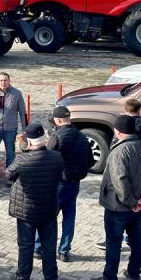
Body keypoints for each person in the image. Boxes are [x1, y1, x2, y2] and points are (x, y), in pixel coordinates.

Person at [90, 115, 141, 280]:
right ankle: (134, 272)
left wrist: (132, 202)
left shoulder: (119, 151)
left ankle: (109, 279)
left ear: (118, 131)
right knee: (136, 239)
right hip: (138, 207)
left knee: (113, 243)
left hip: (118, 207)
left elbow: (120, 181)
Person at [6, 123, 64, 280]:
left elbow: (9, 174)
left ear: (29, 141)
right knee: (49, 246)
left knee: (26, 246)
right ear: (44, 138)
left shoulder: (22, 159)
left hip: (26, 212)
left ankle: (23, 279)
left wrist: (23, 148)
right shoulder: (57, 157)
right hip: (48, 209)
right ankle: (51, 278)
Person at [96, 98, 141, 250]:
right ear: (139, 110)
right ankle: (131, 238)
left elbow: (114, 149)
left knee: (118, 214)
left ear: (125, 110)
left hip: (123, 171)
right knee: (136, 221)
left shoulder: (122, 127)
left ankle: (113, 242)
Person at [35, 105, 92, 262]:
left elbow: (46, 159)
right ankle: (64, 250)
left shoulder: (57, 137)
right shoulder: (82, 136)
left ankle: (39, 247)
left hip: (57, 183)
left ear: (58, 120)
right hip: (74, 183)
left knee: (47, 216)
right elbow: (90, 161)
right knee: (69, 217)